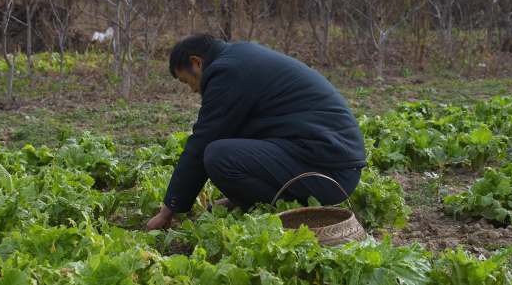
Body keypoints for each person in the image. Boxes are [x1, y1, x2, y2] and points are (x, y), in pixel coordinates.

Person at [146, 34, 366, 230]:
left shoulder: (227, 73)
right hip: (333, 163)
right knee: (228, 143)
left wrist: (169, 210)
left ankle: (288, 210)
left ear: (197, 62)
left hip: (329, 173)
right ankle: (247, 201)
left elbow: (203, 140)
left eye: (188, 81)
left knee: (218, 155)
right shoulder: (240, 58)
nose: (193, 89)